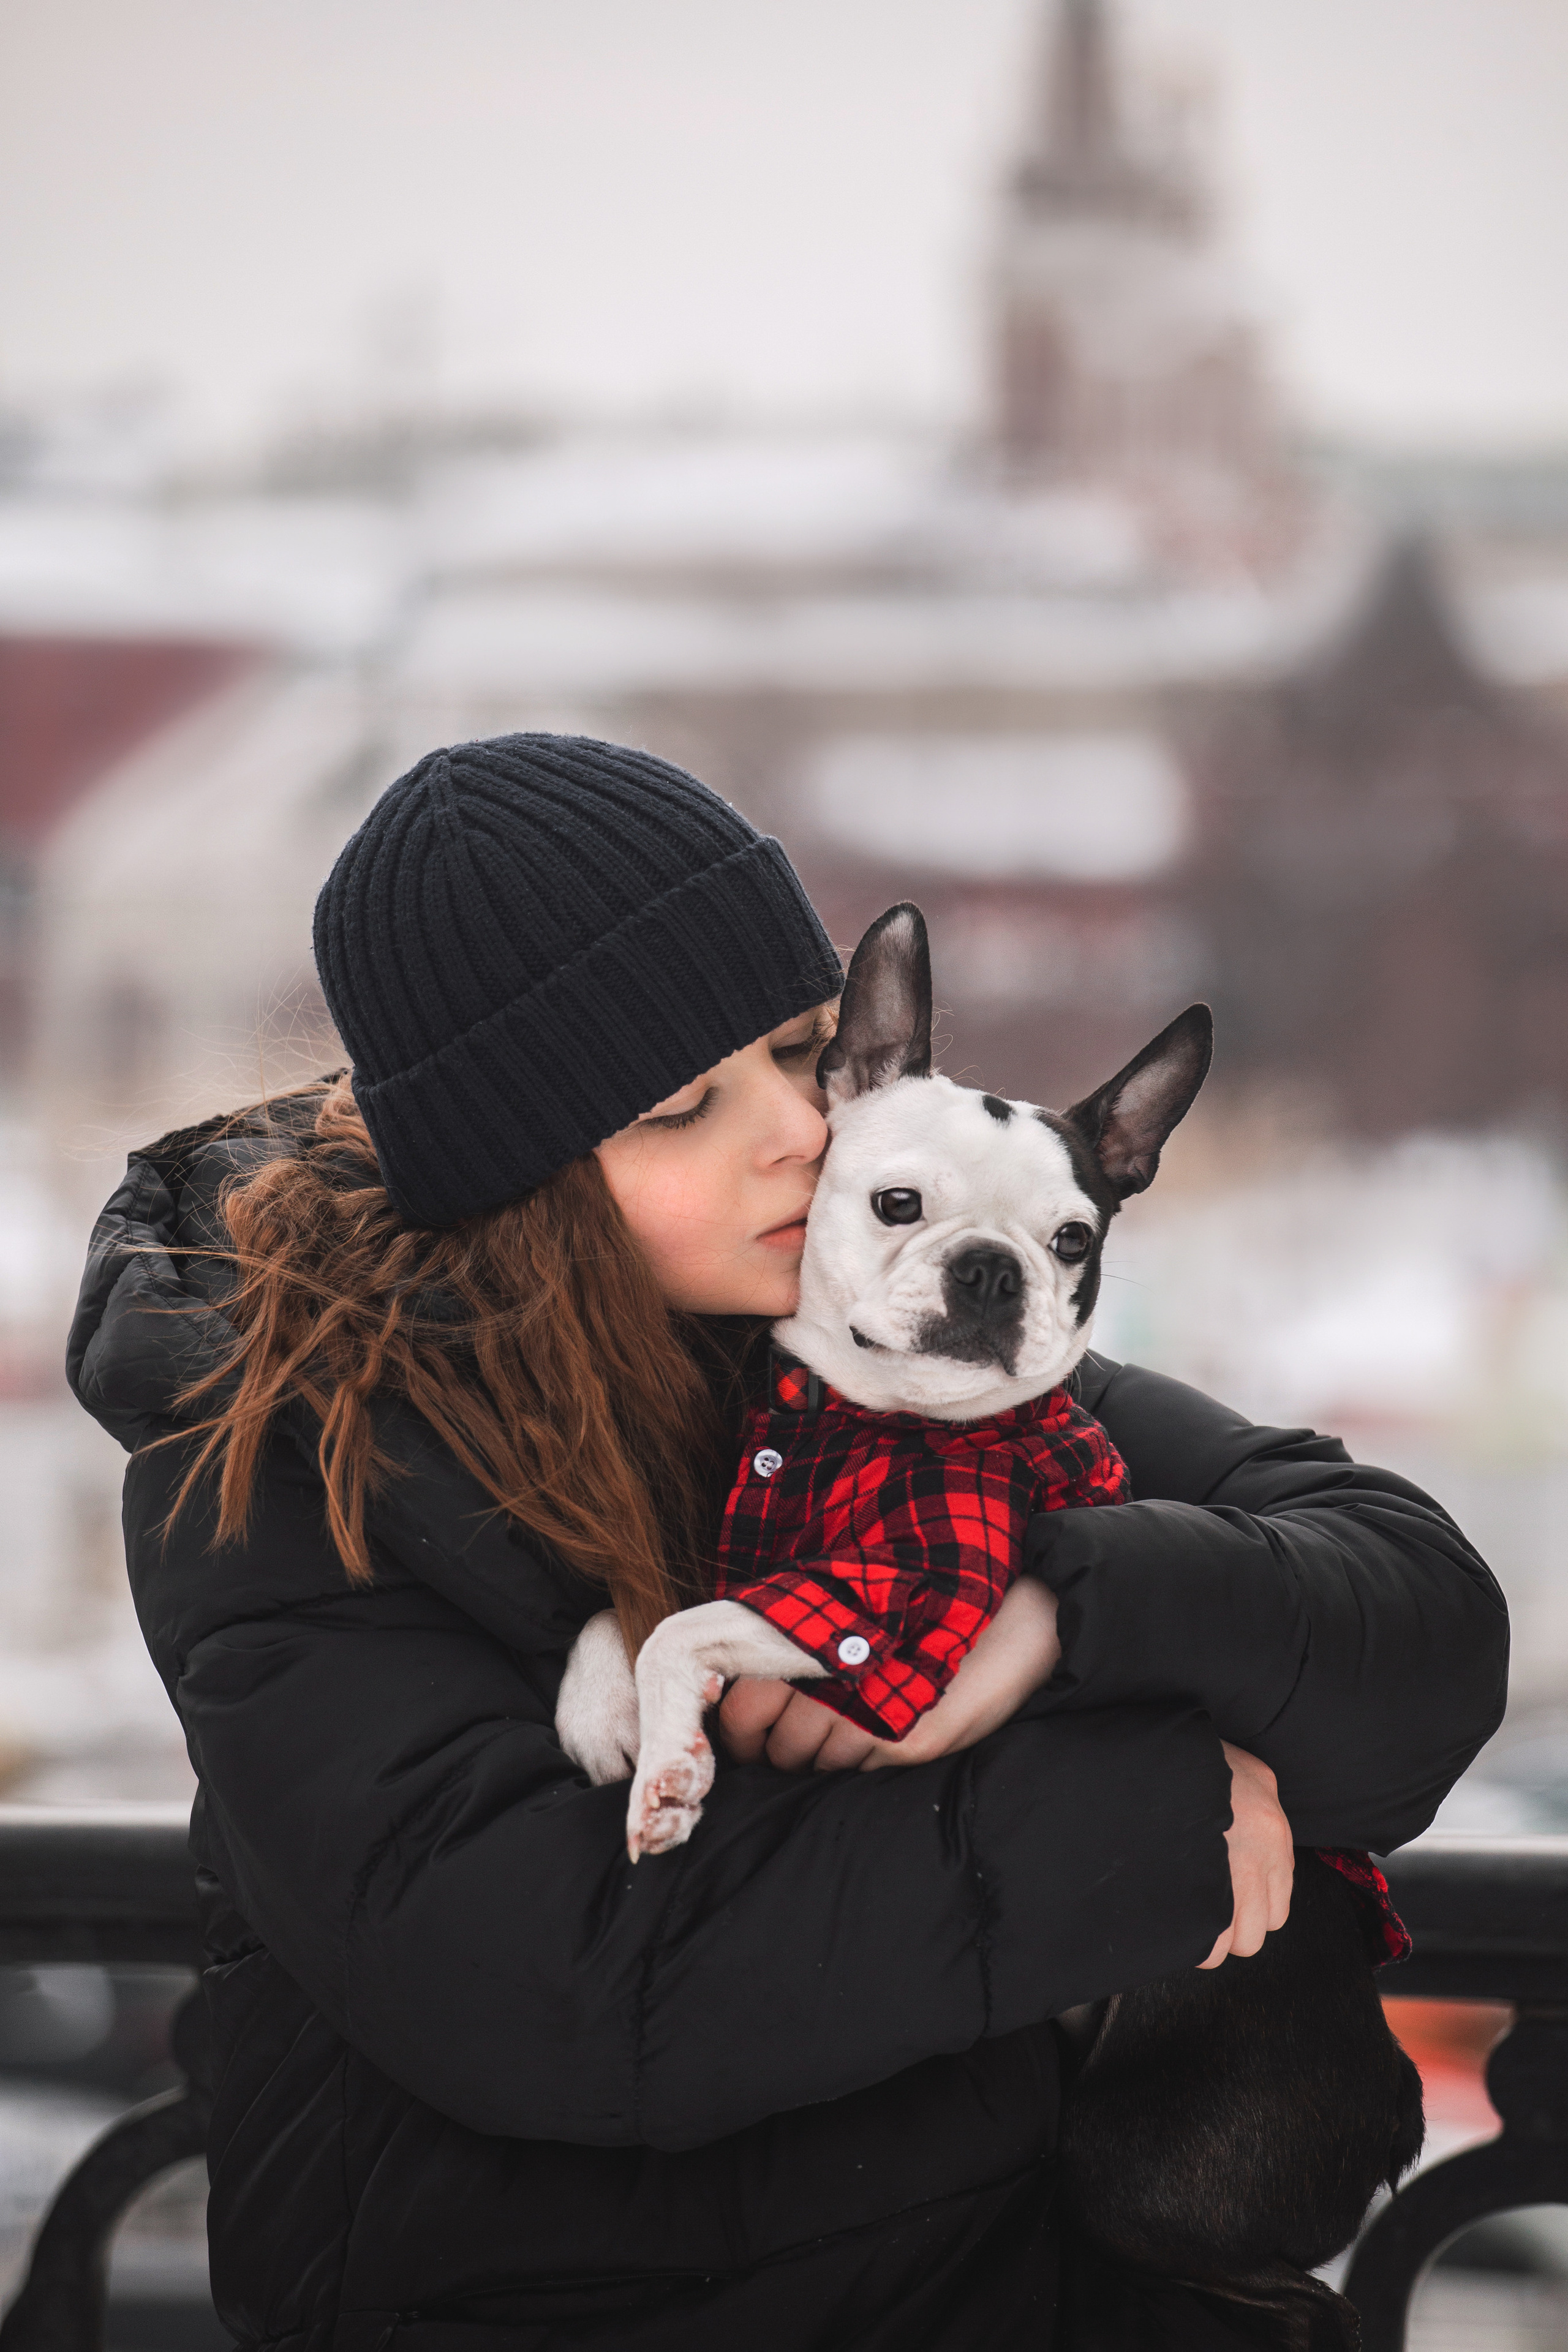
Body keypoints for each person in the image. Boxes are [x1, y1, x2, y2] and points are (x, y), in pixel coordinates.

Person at [67, 734, 1507, 2352]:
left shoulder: (874, 1326)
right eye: (684, 1106)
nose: (801, 1134)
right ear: (518, 1177)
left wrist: (1071, 1602)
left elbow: (1422, 1623)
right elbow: (564, 1989)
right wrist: (1157, 1817)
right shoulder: (285, 1461)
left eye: (801, 1051)